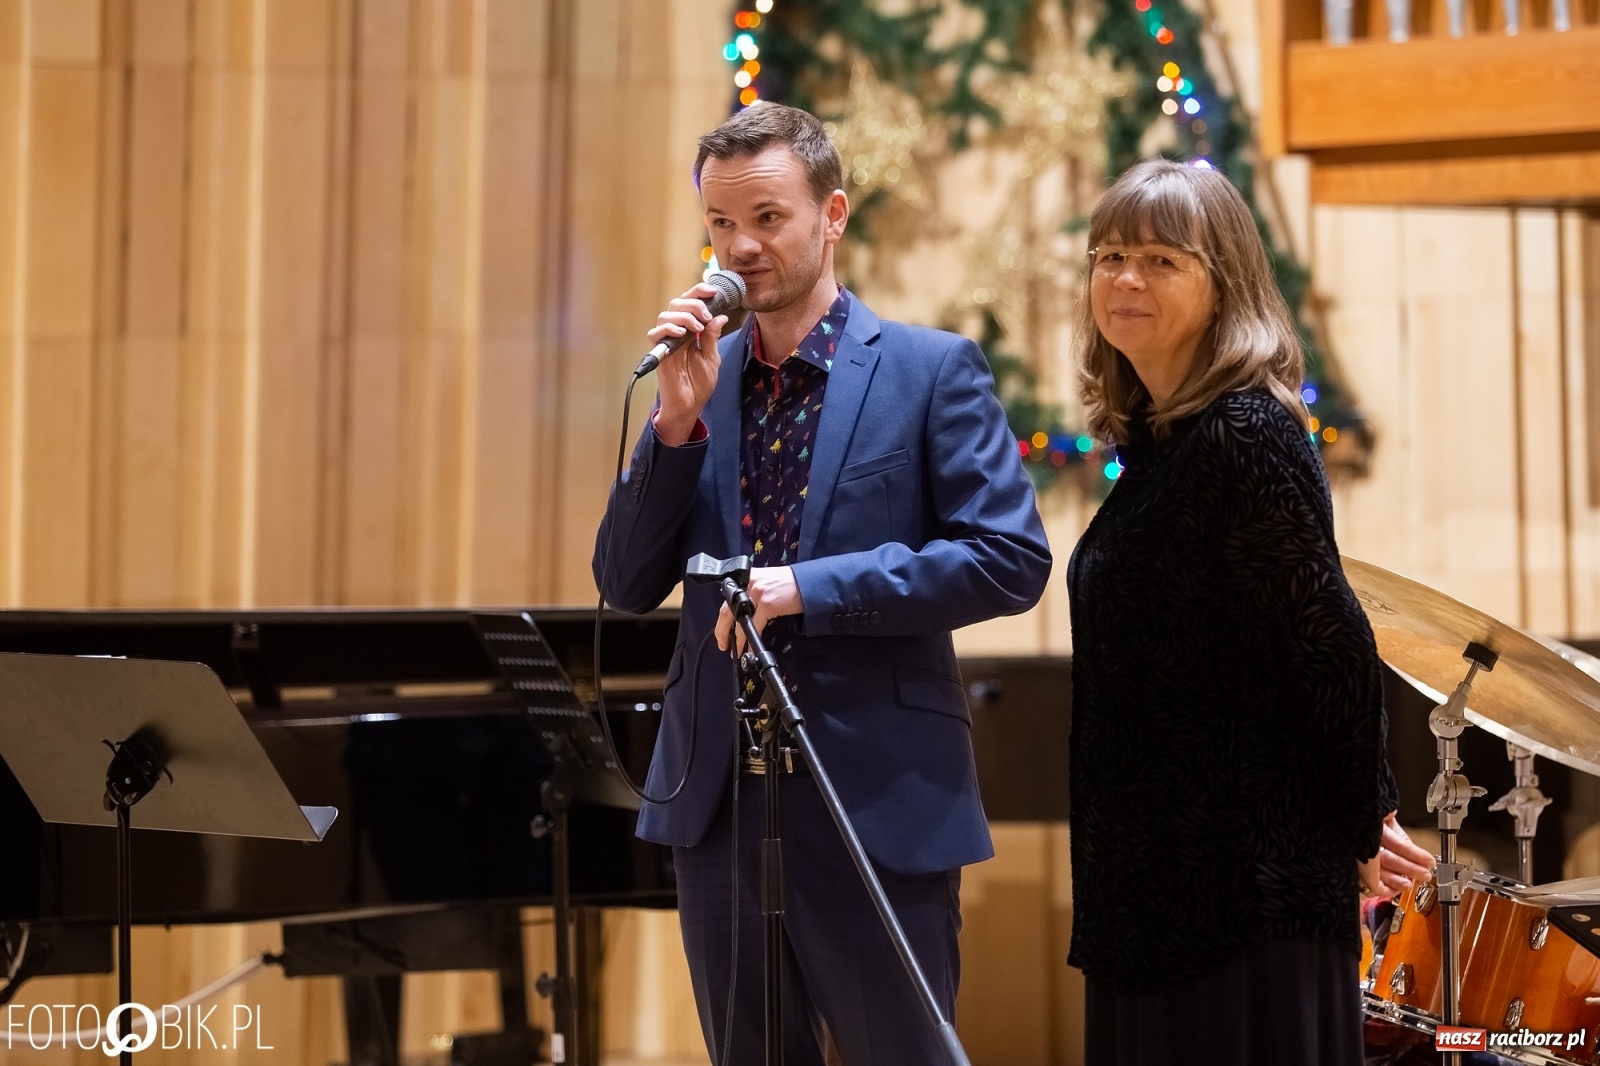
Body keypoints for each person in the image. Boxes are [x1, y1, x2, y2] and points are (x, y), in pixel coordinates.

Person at [593, 102, 1051, 1066]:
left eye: (767, 219)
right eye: (720, 225)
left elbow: (1011, 559)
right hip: (717, 804)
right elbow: (626, 582)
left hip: (872, 801)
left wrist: (807, 587)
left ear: (831, 214)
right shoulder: (696, 382)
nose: (739, 249)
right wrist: (674, 429)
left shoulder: (929, 373)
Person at [1064, 158, 1434, 1064]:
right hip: (1156, 888)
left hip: (1240, 895)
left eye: (1160, 259)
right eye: (1108, 256)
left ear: (1222, 281)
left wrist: (1363, 819)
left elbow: (1327, 639)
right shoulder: (1160, 447)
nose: (1124, 279)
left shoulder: (1245, 432)